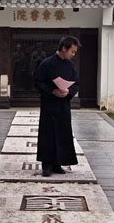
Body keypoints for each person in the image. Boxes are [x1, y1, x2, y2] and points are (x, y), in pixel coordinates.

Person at [34, 36, 80, 177]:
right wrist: (52, 91)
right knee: (48, 134)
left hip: (63, 105)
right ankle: (47, 165)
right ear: (64, 49)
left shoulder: (70, 66)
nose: (73, 54)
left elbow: (76, 83)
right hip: (49, 104)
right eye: (72, 51)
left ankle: (58, 163)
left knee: (62, 133)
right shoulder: (46, 64)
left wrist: (68, 92)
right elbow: (38, 82)